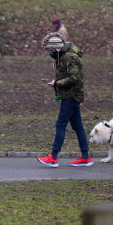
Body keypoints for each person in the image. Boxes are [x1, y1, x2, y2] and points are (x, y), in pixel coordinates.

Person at [36, 32, 91, 168]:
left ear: (56, 48)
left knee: (61, 124)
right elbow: (68, 76)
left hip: (71, 96)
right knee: (77, 126)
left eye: (49, 50)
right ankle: (85, 157)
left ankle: (53, 157)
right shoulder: (62, 56)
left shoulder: (68, 57)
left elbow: (75, 78)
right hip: (69, 95)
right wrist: (57, 82)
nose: (49, 53)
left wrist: (57, 83)